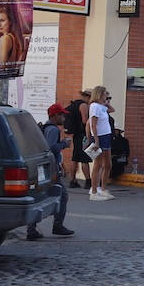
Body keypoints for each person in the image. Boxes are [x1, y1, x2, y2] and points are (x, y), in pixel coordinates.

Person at [30, 105, 75, 239]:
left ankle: (32, 229)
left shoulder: (46, 128)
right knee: (62, 195)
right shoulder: (54, 130)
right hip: (50, 169)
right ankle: (57, 225)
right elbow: (51, 148)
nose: (64, 118)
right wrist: (64, 144)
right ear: (56, 116)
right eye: (62, 115)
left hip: (45, 168)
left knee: (40, 196)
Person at [86, 84, 115, 200]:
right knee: (98, 165)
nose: (106, 96)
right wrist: (96, 140)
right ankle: (94, 191)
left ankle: (103, 189)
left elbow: (112, 109)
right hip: (100, 137)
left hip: (107, 136)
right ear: (99, 94)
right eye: (104, 94)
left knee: (108, 164)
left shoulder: (101, 106)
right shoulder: (94, 107)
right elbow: (93, 124)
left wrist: (106, 102)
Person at [64, 90, 93, 190]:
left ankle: (73, 180)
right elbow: (85, 121)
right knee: (84, 158)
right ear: (89, 97)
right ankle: (88, 181)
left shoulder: (74, 104)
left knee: (75, 157)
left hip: (76, 134)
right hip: (83, 134)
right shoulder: (83, 105)